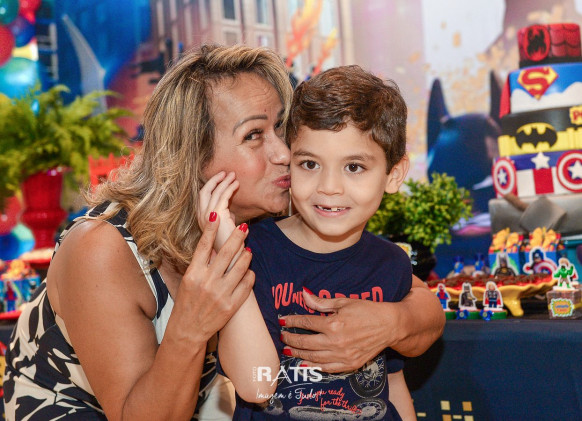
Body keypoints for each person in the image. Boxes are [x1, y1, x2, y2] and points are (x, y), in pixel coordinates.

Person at [4, 44, 443, 420]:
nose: (283, 153)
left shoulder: (274, 211)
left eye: (281, 128)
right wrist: (193, 320)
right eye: (254, 135)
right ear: (193, 155)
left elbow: (419, 302)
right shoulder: (104, 248)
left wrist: (392, 322)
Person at [202, 65, 417, 419]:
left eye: (354, 167)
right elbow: (256, 386)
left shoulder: (392, 263)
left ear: (393, 174)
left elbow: (391, 383)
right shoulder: (254, 253)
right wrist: (228, 245)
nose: (329, 187)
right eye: (309, 164)